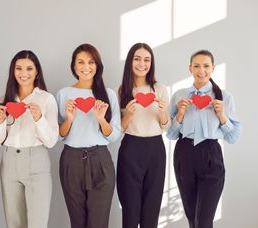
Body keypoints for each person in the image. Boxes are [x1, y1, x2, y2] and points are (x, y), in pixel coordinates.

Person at [167, 50, 242, 228]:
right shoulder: (179, 95)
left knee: (204, 221)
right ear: (190, 68)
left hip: (211, 154)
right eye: (197, 66)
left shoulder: (224, 97)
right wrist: (181, 114)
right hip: (184, 154)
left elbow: (233, 137)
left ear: (213, 68)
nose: (201, 70)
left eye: (206, 66)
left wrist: (222, 115)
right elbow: (170, 134)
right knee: (192, 218)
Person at [56, 43, 121, 228]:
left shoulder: (108, 95)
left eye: (91, 62)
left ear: (97, 65)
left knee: (98, 223)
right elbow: (59, 135)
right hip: (71, 160)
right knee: (78, 222)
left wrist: (101, 120)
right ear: (74, 66)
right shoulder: (63, 94)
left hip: (100, 160)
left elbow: (114, 135)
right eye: (81, 62)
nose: (86, 67)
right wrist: (69, 119)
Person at [0, 50, 58, 228]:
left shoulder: (46, 100)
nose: (24, 73)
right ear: (13, 72)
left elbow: (51, 141)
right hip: (8, 162)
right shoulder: (4, 100)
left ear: (37, 72)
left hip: (36, 162)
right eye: (19, 68)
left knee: (38, 223)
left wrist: (39, 118)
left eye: (29, 68)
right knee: (14, 222)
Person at [116, 43, 170, 228]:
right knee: (130, 210)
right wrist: (128, 115)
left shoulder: (160, 89)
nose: (142, 64)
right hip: (130, 149)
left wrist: (163, 112)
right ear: (130, 61)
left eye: (147, 59)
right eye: (137, 58)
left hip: (156, 150)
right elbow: (118, 129)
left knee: (151, 209)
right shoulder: (121, 90)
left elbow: (165, 126)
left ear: (151, 63)